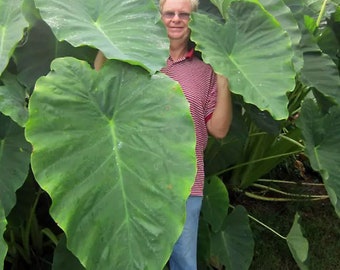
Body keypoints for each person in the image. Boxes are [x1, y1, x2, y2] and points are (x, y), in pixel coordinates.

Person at [94, 0, 232, 268]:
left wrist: (223, 81)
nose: (176, 19)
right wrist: (105, 36)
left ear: (193, 21)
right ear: (159, 17)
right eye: (169, 13)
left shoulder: (205, 72)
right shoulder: (138, 59)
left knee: (182, 261)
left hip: (185, 183)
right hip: (137, 178)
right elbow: (100, 81)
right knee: (134, 259)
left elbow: (219, 128)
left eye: (184, 14)